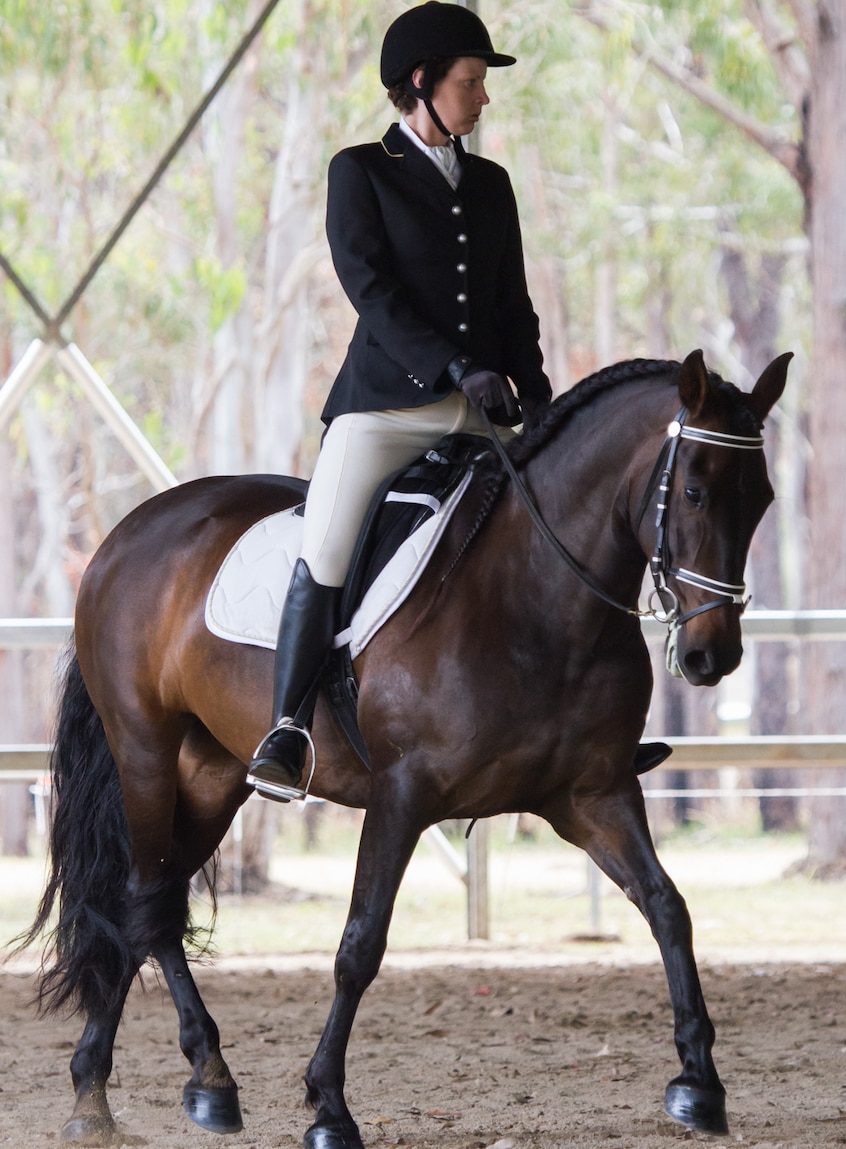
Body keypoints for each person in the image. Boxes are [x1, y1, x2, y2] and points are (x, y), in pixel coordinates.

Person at [246, 1, 554, 802]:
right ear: (421, 84)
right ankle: (285, 727)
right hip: (385, 409)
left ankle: (573, 720)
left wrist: (540, 387)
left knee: (555, 532)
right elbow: (370, 291)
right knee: (330, 540)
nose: (483, 98)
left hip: (481, 409)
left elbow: (512, 304)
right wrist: (455, 366)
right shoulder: (360, 171)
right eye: (471, 82)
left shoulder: (492, 185)